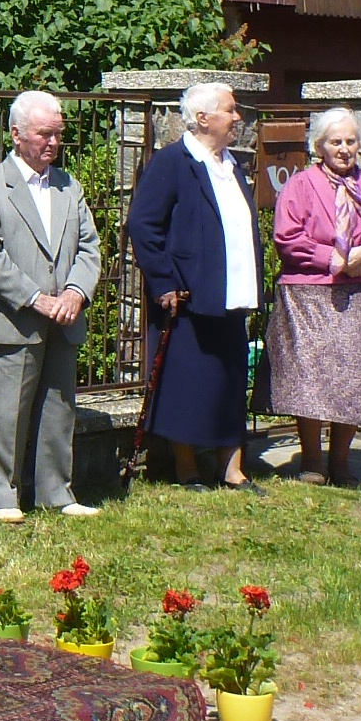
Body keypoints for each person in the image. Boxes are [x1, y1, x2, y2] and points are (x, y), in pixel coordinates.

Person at [0, 90, 104, 522]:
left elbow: (90, 247)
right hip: (14, 319)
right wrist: (36, 298)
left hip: (64, 318)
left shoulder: (69, 186)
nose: (54, 142)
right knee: (7, 413)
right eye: (45, 134)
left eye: (58, 134)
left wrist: (75, 293)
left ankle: (56, 493)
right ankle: (3, 496)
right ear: (16, 134)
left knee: (59, 409)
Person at [126, 81, 261, 489]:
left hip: (232, 295)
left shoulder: (231, 165)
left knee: (230, 380)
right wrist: (164, 281)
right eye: (230, 110)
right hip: (187, 297)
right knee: (187, 383)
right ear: (203, 118)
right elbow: (143, 224)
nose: (238, 117)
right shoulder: (173, 162)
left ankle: (232, 469)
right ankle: (186, 468)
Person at [267, 107, 361, 486]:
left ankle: (341, 462)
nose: (344, 149)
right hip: (309, 293)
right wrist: (333, 258)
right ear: (319, 146)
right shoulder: (300, 185)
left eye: (351, 141)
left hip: (359, 292)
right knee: (309, 377)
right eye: (336, 141)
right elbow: (287, 238)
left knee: (354, 377)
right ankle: (312, 462)